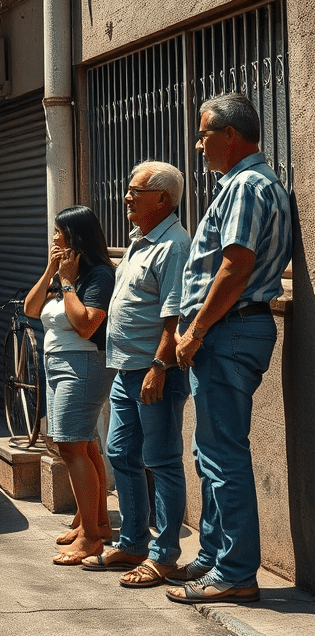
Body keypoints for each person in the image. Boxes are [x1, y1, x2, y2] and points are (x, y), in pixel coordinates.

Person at [166, 93, 292, 604]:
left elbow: (235, 268)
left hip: (228, 329)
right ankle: (216, 555)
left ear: (232, 137)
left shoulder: (245, 186)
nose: (198, 145)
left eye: (204, 135)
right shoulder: (251, 183)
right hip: (233, 329)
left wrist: (195, 330)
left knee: (222, 455)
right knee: (210, 450)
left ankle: (236, 572)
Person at [80, 161, 190, 588]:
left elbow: (175, 316)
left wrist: (160, 366)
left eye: (135, 191)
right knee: (122, 454)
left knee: (161, 460)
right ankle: (133, 543)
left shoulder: (173, 245)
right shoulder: (140, 241)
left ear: (161, 198)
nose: (126, 196)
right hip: (127, 370)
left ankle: (163, 556)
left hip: (154, 370)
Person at [25, 205, 116, 565]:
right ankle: (98, 523)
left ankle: (91, 538)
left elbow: (87, 325)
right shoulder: (66, 272)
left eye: (59, 231)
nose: (53, 237)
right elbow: (33, 309)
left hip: (84, 364)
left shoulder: (98, 276)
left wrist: (66, 282)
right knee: (84, 444)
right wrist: (52, 271)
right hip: (58, 364)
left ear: (76, 235)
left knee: (69, 447)